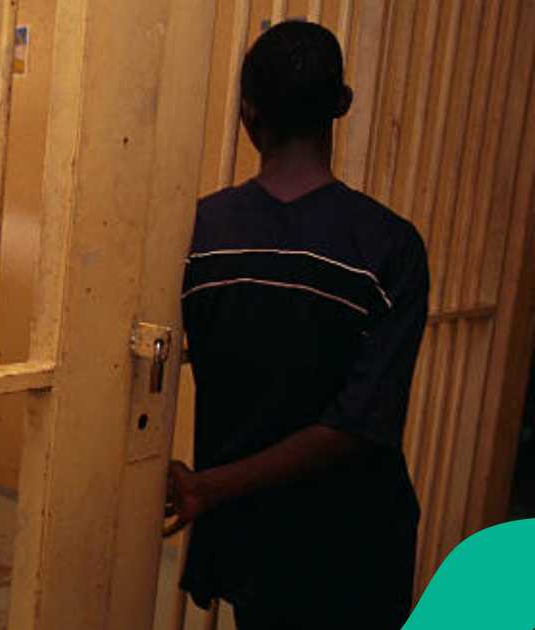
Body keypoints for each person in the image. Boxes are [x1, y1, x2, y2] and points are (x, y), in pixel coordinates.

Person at [167, 21, 428, 630]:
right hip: (356, 542)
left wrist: (212, 487)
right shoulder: (391, 246)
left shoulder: (201, 232)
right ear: (342, 106)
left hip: (250, 539)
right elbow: (360, 425)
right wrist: (210, 487)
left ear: (248, 115)